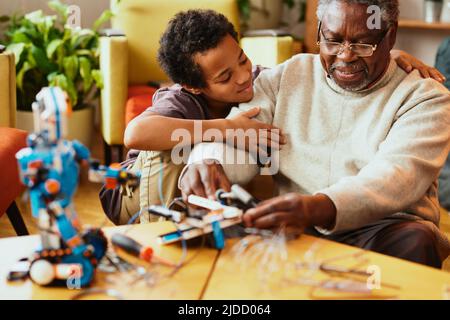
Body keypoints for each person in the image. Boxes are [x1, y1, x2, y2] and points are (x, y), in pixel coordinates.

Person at [100, 9, 445, 226]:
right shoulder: (180, 100)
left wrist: (384, 53)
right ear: (193, 86)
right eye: (224, 77)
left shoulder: (262, 80)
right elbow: (136, 133)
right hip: (135, 187)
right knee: (180, 152)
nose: (242, 76)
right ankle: (156, 231)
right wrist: (222, 130)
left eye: (243, 60)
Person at [179, 1, 450, 268]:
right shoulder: (288, 74)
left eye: (362, 43)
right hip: (295, 226)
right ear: (319, 29)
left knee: (416, 240)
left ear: (390, 36)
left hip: (379, 229)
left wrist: (317, 207)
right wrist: (207, 161)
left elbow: (396, 177)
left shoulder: (426, 97)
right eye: (332, 40)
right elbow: (243, 133)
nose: (345, 56)